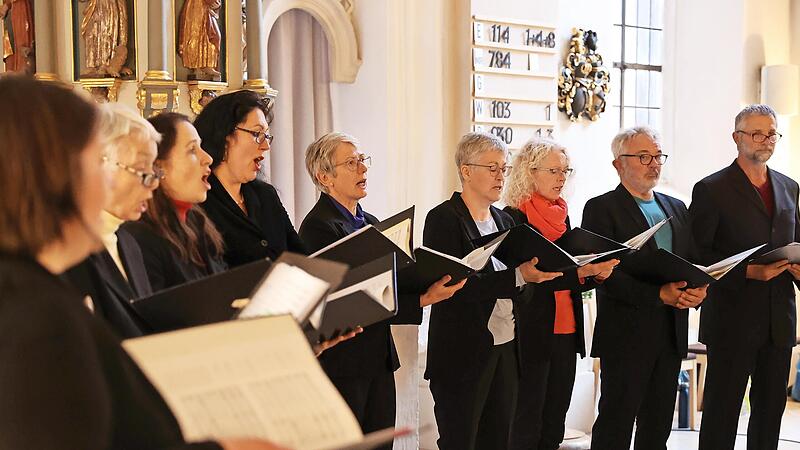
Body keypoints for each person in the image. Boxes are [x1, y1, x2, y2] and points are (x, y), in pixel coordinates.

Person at [0, 75, 285, 450]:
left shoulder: (36, 287)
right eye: (93, 164)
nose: (103, 185)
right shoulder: (29, 311)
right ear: (52, 176)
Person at [298, 132, 466, 447]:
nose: (363, 169)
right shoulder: (318, 227)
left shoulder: (371, 222)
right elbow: (348, 297)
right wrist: (422, 300)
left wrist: (427, 278)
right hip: (343, 361)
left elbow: (392, 280)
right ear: (324, 177)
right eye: (352, 163)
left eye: (363, 160)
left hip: (377, 357)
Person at [423, 132, 562, 450]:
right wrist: (517, 277)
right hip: (463, 352)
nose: (501, 175)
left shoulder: (505, 219)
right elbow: (455, 287)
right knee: (462, 440)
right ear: (466, 170)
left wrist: (530, 278)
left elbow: (518, 285)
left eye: (504, 168)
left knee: (499, 440)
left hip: (506, 346)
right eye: (492, 168)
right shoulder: (444, 219)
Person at [582, 126, 707, 450]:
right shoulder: (601, 208)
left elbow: (692, 261)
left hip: (670, 332)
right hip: (626, 335)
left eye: (657, 156)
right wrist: (657, 294)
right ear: (618, 164)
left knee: (658, 425)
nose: (654, 163)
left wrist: (699, 290)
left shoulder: (676, 207)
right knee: (616, 423)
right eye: (643, 157)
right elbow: (605, 276)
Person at [690, 104, 800, 450]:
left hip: (778, 321)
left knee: (770, 414)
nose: (766, 140)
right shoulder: (711, 189)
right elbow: (697, 257)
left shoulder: (789, 186)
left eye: (771, 133)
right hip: (732, 319)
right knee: (722, 413)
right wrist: (751, 272)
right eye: (757, 133)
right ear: (737, 138)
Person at [502, 138, 617, 450]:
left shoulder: (562, 216)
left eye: (565, 171)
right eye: (553, 170)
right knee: (527, 419)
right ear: (530, 172)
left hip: (566, 328)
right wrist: (580, 273)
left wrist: (595, 275)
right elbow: (528, 280)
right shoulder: (514, 217)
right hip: (529, 329)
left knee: (555, 419)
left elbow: (570, 274)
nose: (561, 178)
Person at [64, 103, 161, 338]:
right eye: (141, 170)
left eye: (154, 172)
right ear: (97, 163)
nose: (154, 184)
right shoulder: (67, 252)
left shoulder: (129, 243)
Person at [197, 90, 306, 268]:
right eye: (257, 134)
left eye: (267, 136)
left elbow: (300, 256)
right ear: (224, 137)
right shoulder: (200, 202)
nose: (266, 146)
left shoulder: (266, 195)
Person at [122, 113, 225, 292]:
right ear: (159, 167)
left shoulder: (197, 222)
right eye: (192, 150)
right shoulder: (139, 236)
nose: (207, 158)